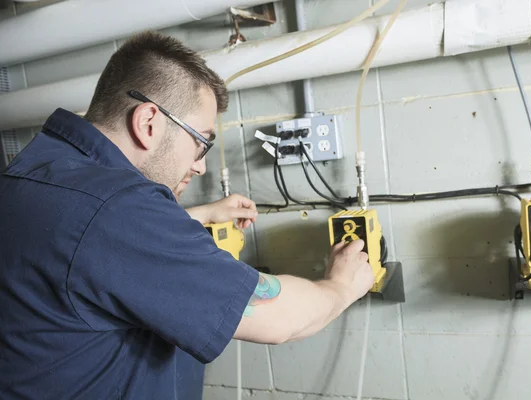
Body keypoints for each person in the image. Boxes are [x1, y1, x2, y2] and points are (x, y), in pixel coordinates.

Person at [0, 31, 373, 400]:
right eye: (201, 142)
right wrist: (341, 285)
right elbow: (280, 319)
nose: (201, 167)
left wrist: (199, 215)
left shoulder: (36, 170)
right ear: (148, 122)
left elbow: (85, 252)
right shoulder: (118, 208)